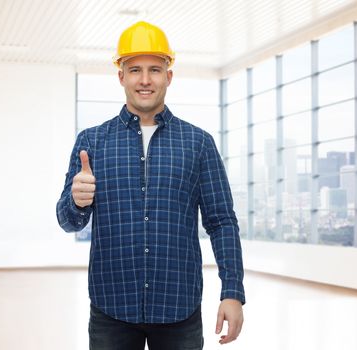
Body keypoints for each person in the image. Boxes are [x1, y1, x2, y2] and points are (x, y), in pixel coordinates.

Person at [57, 21, 245, 350]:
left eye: (155, 69)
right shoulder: (92, 142)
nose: (145, 80)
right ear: (121, 76)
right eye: (135, 70)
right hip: (111, 308)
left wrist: (232, 291)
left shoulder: (198, 143)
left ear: (169, 76)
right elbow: (68, 221)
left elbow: (221, 221)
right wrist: (77, 201)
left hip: (178, 309)